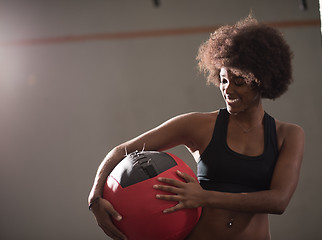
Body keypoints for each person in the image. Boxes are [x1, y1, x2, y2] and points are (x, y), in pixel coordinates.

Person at [88, 15, 304, 240]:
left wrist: (205, 197)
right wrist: (94, 199)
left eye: (238, 81)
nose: (228, 90)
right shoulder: (199, 125)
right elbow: (123, 150)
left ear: (261, 80)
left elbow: (279, 201)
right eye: (223, 80)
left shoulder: (288, 135)